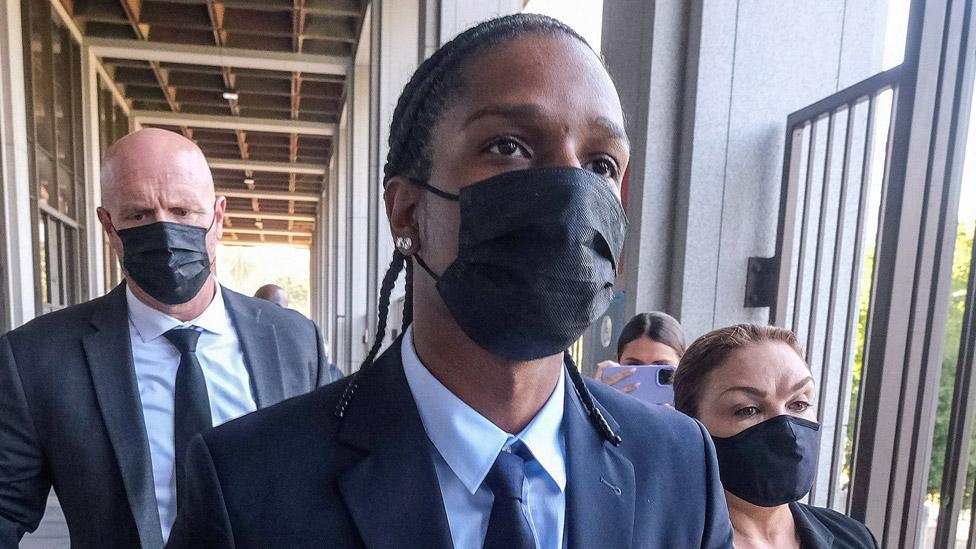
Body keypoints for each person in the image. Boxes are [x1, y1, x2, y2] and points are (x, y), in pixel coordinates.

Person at [167, 14, 733, 548]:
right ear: (408, 211)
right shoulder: (249, 482)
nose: (568, 195)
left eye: (600, 165)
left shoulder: (679, 466)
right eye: (508, 147)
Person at [0, 128, 330, 548]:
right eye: (139, 215)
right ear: (108, 225)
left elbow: (338, 472)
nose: (166, 233)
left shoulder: (293, 339)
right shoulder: (37, 359)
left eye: (183, 210)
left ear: (218, 216)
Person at [672, 324, 878, 549]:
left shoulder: (853, 539)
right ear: (690, 425)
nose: (786, 429)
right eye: (748, 409)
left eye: (799, 404)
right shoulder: (655, 539)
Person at [595, 311, 686, 393]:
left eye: (662, 369)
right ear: (617, 363)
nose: (646, 379)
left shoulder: (694, 407)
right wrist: (593, 400)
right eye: (634, 365)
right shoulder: (602, 406)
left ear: (682, 366)